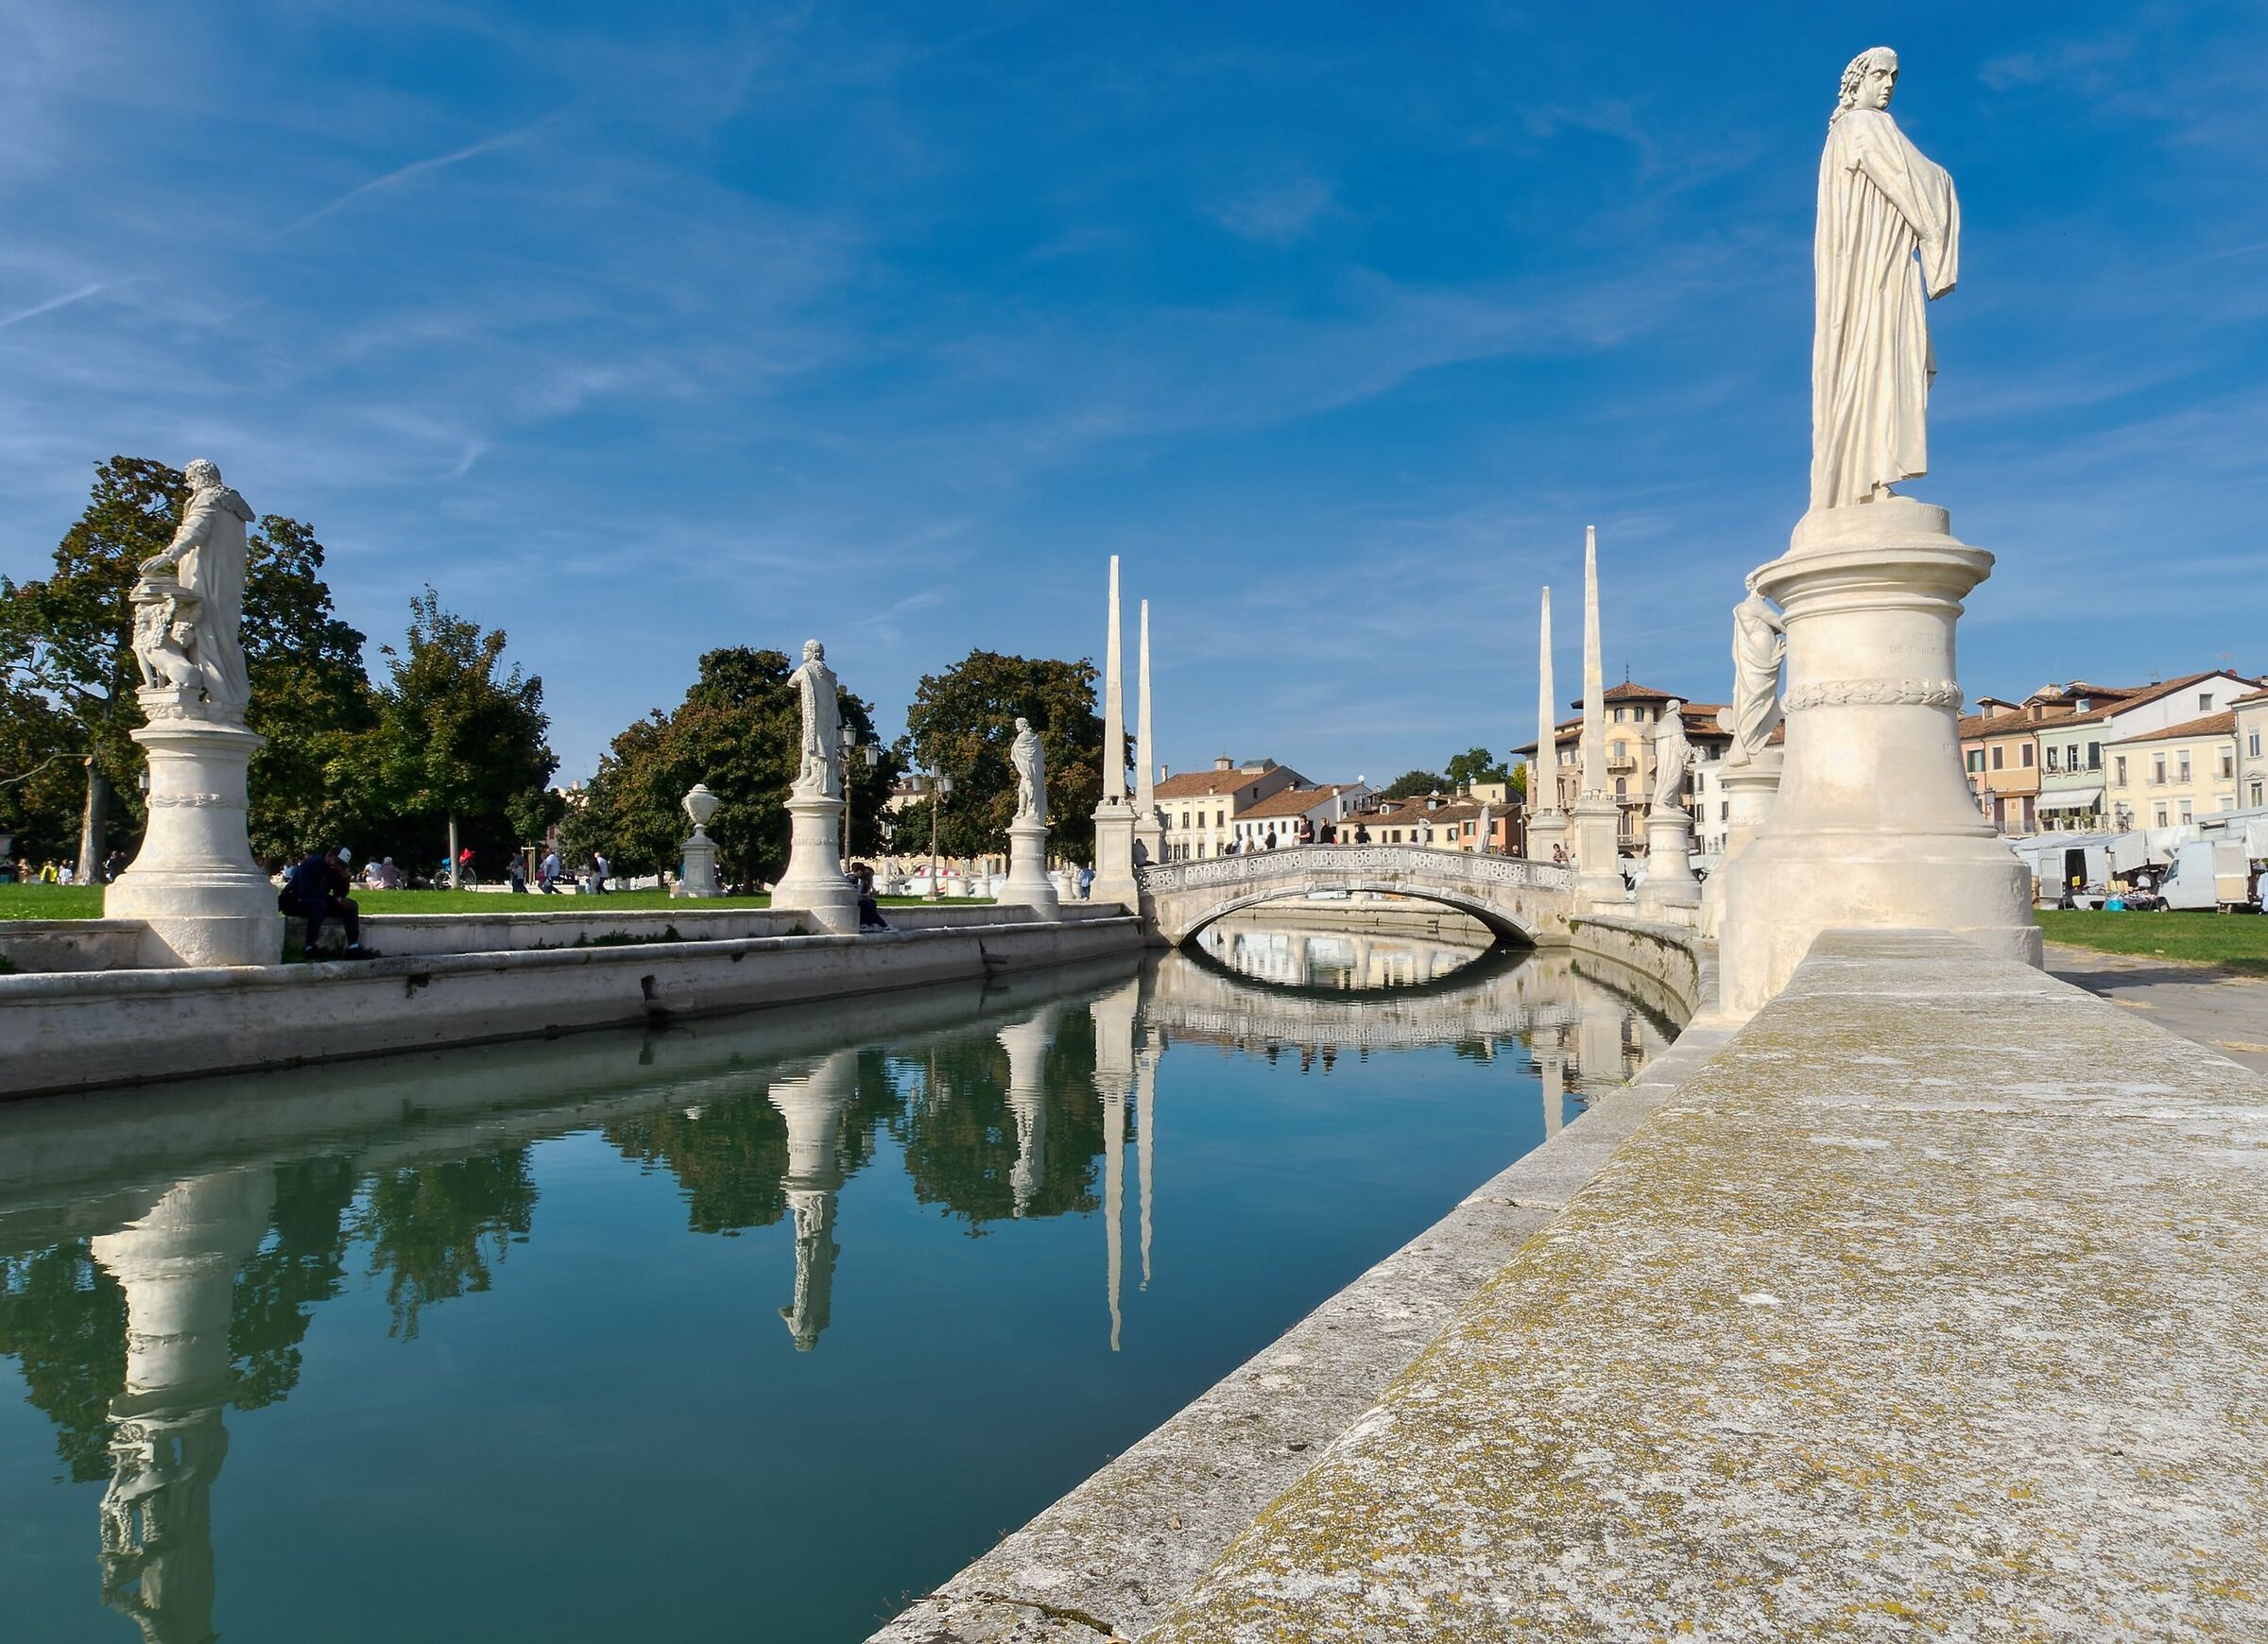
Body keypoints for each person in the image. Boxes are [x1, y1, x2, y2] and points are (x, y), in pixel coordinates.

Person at [284, 845, 366, 956]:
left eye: (341, 864)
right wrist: (336, 900)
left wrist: (345, 878)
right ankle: (310, 946)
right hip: (294, 900)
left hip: (318, 901)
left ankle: (353, 947)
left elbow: (340, 894)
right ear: (329, 855)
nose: (337, 866)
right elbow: (307, 891)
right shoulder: (311, 864)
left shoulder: (335, 870)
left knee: (351, 906)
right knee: (319, 905)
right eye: (336, 862)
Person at [851, 862, 888, 932]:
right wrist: (864, 896)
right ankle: (883, 925)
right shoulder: (853, 878)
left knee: (871, 902)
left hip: (857, 899)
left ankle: (870, 924)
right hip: (853, 901)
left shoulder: (859, 880)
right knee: (867, 905)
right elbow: (854, 893)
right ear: (860, 871)